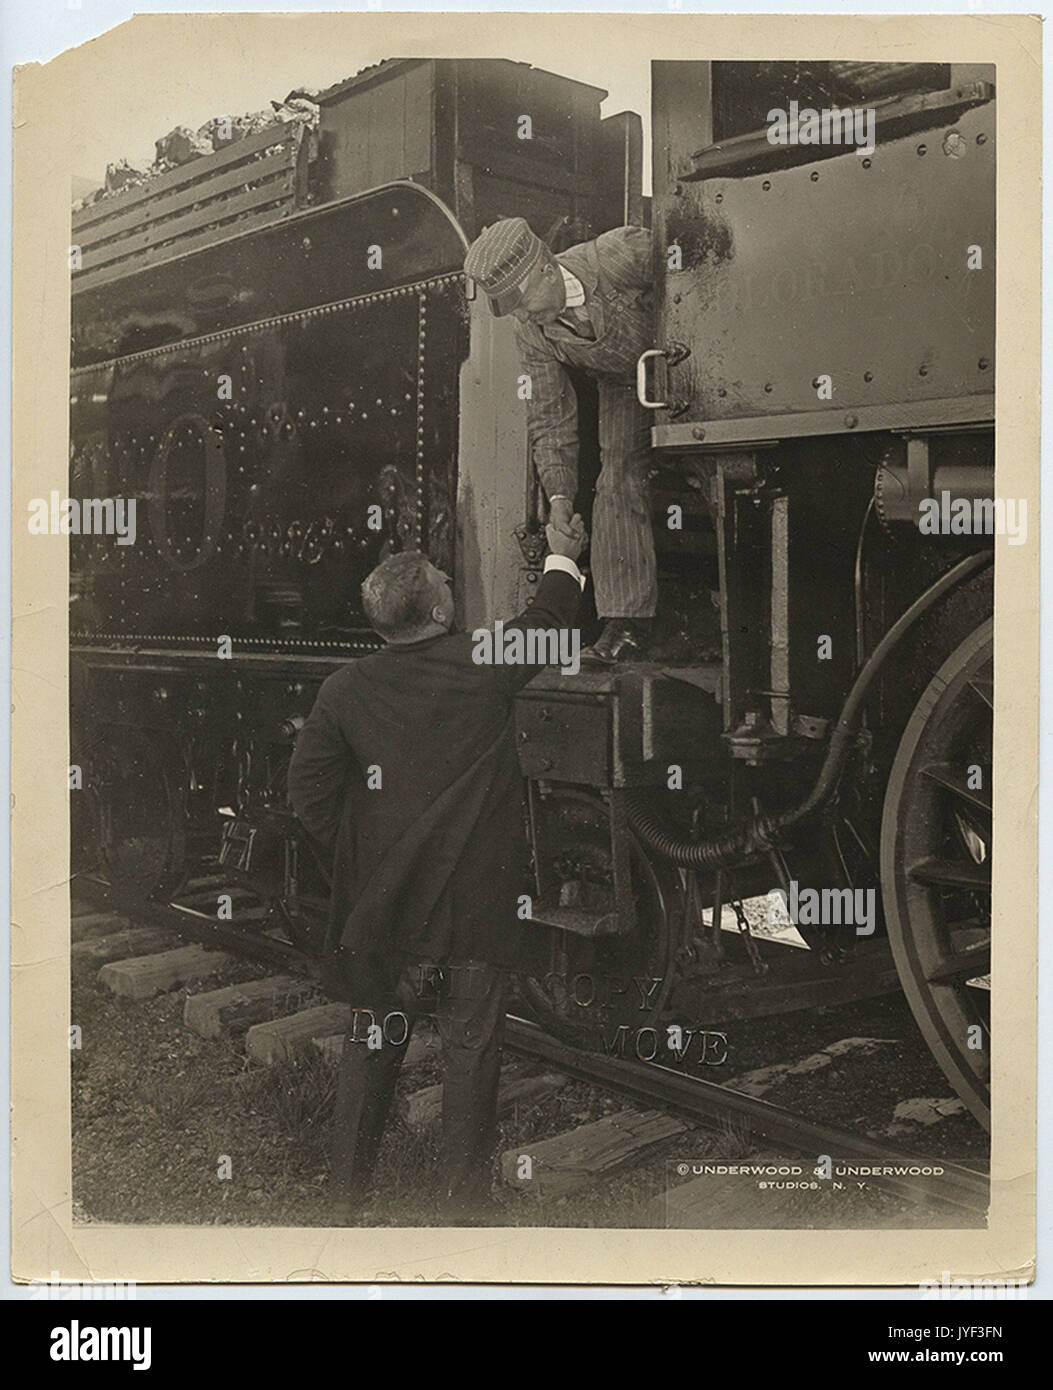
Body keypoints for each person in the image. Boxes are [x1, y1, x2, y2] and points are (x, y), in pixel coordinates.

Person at [287, 518, 586, 1223]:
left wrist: (365, 858)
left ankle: (344, 1202)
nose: (455, 591)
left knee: (373, 1046)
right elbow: (547, 618)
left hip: (386, 910)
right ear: (440, 611)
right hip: (477, 904)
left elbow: (308, 795)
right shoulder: (481, 660)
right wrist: (563, 554)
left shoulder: (344, 689)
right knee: (471, 1053)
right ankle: (459, 1213)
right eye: (449, 585)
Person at [464, 216, 656, 661]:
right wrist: (559, 498)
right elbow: (550, 414)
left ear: (548, 268)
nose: (523, 314)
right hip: (627, 385)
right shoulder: (530, 331)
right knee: (616, 478)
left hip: (691, 359)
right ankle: (625, 624)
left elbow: (701, 281)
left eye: (524, 300)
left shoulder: (621, 254)